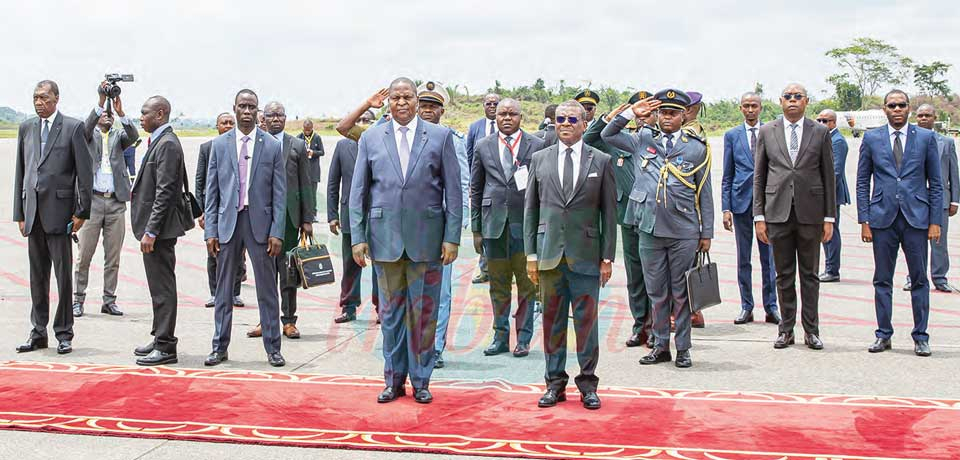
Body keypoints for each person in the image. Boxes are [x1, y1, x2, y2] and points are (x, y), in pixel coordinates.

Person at [349, 77, 462, 404]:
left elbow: (453, 192)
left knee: (423, 315)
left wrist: (452, 237)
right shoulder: (371, 138)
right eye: (395, 97)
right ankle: (393, 381)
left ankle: (421, 380)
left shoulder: (440, 137)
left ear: (416, 100)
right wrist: (358, 238)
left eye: (407, 97)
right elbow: (358, 193)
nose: (401, 103)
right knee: (391, 315)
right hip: (384, 242)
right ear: (388, 102)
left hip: (427, 242)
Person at [602, 89, 714, 369]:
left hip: (683, 230)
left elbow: (705, 192)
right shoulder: (642, 139)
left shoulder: (696, 146)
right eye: (663, 112)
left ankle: (683, 348)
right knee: (656, 291)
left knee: (681, 292)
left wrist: (706, 232)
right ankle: (660, 345)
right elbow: (607, 135)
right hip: (649, 228)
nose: (667, 117)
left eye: (673, 113)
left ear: (683, 116)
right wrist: (631, 113)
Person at [526, 100, 616, 410]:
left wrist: (607, 258)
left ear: (583, 123)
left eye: (572, 119)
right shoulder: (539, 159)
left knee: (586, 324)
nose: (565, 123)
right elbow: (530, 212)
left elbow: (609, 213)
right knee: (552, 323)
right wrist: (530, 255)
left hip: (586, 256)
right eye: (560, 118)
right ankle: (554, 384)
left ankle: (588, 384)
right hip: (549, 255)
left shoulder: (601, 160)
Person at [204, 89, 287, 367]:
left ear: (258, 110)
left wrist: (277, 231)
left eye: (252, 106)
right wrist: (210, 231)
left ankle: (273, 348)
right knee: (223, 289)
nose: (248, 111)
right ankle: (219, 346)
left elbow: (279, 193)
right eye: (243, 106)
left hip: (260, 225)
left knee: (267, 290)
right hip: (228, 224)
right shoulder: (219, 145)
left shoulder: (272, 146)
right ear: (235, 108)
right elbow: (212, 192)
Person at [858, 90, 943, 357]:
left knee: (919, 280)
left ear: (909, 108)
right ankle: (883, 334)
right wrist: (864, 219)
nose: (897, 109)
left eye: (902, 105)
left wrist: (935, 221)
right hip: (882, 218)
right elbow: (862, 182)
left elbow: (936, 184)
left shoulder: (926, 138)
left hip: (916, 220)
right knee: (882, 279)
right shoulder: (872, 138)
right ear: (884, 109)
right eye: (892, 105)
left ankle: (921, 336)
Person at [754, 83, 836, 350]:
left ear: (806, 101)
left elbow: (828, 177)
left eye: (797, 97)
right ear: (780, 101)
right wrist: (759, 216)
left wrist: (829, 218)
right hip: (777, 213)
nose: (792, 100)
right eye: (787, 97)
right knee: (783, 274)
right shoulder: (767, 131)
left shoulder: (820, 132)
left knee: (810, 275)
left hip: (811, 214)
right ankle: (785, 330)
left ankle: (811, 330)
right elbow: (759, 176)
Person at [14, 80, 93, 355]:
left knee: (62, 277)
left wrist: (82, 211)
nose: (39, 102)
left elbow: (85, 173)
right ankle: (38, 333)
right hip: (33, 214)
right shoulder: (26, 128)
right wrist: (19, 213)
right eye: (35, 97)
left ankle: (64, 333)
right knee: (37, 278)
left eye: (44, 97)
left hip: (60, 214)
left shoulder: (73, 128)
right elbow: (21, 172)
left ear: (56, 99)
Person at [471, 98, 545, 358]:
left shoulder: (537, 145)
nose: (506, 118)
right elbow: (476, 188)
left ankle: (523, 338)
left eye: (512, 114)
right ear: (496, 117)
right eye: (502, 114)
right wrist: (476, 229)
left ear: (520, 118)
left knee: (527, 285)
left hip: (524, 228)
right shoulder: (483, 146)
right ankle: (500, 336)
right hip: (494, 229)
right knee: (498, 286)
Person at [583, 90, 654, 347]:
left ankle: (657, 326)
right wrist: (611, 117)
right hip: (628, 215)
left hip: (655, 218)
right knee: (636, 276)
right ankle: (640, 326)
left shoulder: (657, 141)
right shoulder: (617, 140)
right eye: (639, 110)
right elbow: (590, 139)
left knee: (655, 275)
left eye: (650, 110)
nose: (645, 115)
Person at [130, 95, 192, 366]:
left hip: (160, 232)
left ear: (161, 114)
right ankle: (159, 337)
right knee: (157, 287)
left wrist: (151, 231)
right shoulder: (160, 141)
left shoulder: (167, 144)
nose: (141, 117)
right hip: (156, 229)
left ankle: (167, 346)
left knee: (163, 287)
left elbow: (165, 192)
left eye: (145, 113)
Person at [247, 101, 316, 340]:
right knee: (264, 273)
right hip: (260, 218)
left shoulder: (296, 145)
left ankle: (288, 321)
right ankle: (266, 320)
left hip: (288, 219)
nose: (276, 119)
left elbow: (306, 183)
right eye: (271, 115)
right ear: (262, 118)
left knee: (287, 272)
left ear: (285, 118)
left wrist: (307, 218)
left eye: (280, 115)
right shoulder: (254, 144)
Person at [413, 81, 469, 370]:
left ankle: (434, 347)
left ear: (442, 110)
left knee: (440, 292)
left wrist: (455, 231)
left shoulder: (453, 140)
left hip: (439, 230)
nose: (426, 110)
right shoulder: (405, 137)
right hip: (409, 229)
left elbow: (460, 187)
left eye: (432, 106)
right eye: (423, 104)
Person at [73, 81, 139, 318]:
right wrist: (101, 101)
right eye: (105, 114)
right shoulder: (88, 136)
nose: (108, 117)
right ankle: (77, 299)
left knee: (113, 257)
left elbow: (133, 135)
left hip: (115, 203)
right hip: (92, 202)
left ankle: (109, 300)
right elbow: (85, 126)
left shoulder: (119, 137)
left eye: (112, 115)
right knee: (84, 256)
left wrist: (121, 112)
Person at [722, 92, 779, 325]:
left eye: (754, 106)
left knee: (769, 260)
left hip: (768, 205)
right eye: (746, 106)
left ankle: (771, 306)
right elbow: (728, 174)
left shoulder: (772, 132)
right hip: (741, 204)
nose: (750, 110)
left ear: (761, 108)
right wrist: (726, 207)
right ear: (740, 109)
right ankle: (747, 306)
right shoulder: (732, 135)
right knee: (743, 258)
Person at [327, 110, 379, 324]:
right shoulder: (342, 146)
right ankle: (349, 306)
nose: (363, 124)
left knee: (380, 264)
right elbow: (333, 182)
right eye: (360, 121)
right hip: (350, 214)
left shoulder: (381, 144)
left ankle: (382, 308)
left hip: (377, 214)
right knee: (350, 263)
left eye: (368, 121)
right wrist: (332, 215)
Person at [904, 104, 959, 293]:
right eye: (920, 115)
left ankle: (939, 278)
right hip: (916, 199)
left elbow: (954, 173)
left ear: (935, 118)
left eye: (928, 115)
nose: (923, 118)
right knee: (914, 241)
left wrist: (955, 200)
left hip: (941, 200)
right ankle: (913, 277)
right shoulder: (908, 141)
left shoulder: (947, 142)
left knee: (939, 242)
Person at [196, 113, 245, 308]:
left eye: (230, 123)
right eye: (223, 123)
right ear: (217, 126)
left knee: (238, 255)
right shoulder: (207, 148)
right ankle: (215, 293)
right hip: (214, 209)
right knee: (214, 253)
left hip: (236, 208)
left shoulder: (241, 147)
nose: (227, 125)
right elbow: (200, 181)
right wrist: (201, 211)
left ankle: (234, 293)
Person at [466, 93, 501, 285]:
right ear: (483, 106)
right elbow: (470, 156)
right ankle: (484, 269)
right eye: (489, 103)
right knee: (482, 229)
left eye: (496, 103)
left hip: (501, 187)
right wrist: (473, 183)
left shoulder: (507, 126)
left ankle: (503, 269)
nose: (492, 106)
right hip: (482, 185)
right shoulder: (475, 127)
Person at [681, 90, 708, 329]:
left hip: (687, 214)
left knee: (684, 270)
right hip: (692, 213)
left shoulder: (690, 136)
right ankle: (693, 310)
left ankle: (691, 312)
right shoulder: (697, 132)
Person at [816, 109, 851, 283]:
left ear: (833, 123)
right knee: (824, 232)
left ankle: (832, 269)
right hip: (822, 194)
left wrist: (821, 192)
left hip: (831, 194)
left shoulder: (837, 141)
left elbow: (835, 173)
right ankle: (829, 267)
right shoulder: (824, 138)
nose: (821, 123)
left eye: (825, 121)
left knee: (831, 231)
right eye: (819, 120)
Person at [297, 118, 325, 213]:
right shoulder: (299, 137)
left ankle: (313, 212)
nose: (307, 132)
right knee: (303, 192)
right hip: (302, 170)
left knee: (312, 193)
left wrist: (313, 152)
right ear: (303, 128)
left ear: (312, 128)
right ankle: (303, 212)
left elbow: (322, 152)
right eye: (305, 129)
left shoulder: (317, 137)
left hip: (313, 171)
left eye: (309, 130)